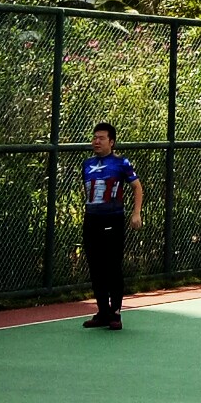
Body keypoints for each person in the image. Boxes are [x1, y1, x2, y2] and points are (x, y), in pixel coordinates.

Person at [79, 121, 142, 330]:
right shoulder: (87, 164)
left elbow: (137, 187)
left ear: (111, 142)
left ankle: (115, 312)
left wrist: (136, 213)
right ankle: (102, 312)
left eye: (101, 138)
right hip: (91, 220)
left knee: (112, 266)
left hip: (112, 220)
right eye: (94, 137)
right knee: (95, 266)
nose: (96, 141)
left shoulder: (121, 163)